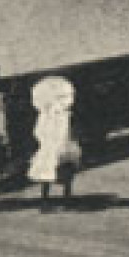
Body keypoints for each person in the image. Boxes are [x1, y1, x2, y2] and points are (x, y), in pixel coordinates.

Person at [28, 75, 82, 210]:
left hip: (48, 146)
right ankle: (66, 199)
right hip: (64, 144)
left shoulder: (44, 113)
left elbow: (38, 131)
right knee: (67, 171)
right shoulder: (67, 114)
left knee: (46, 172)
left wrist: (43, 142)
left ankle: (45, 201)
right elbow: (73, 130)